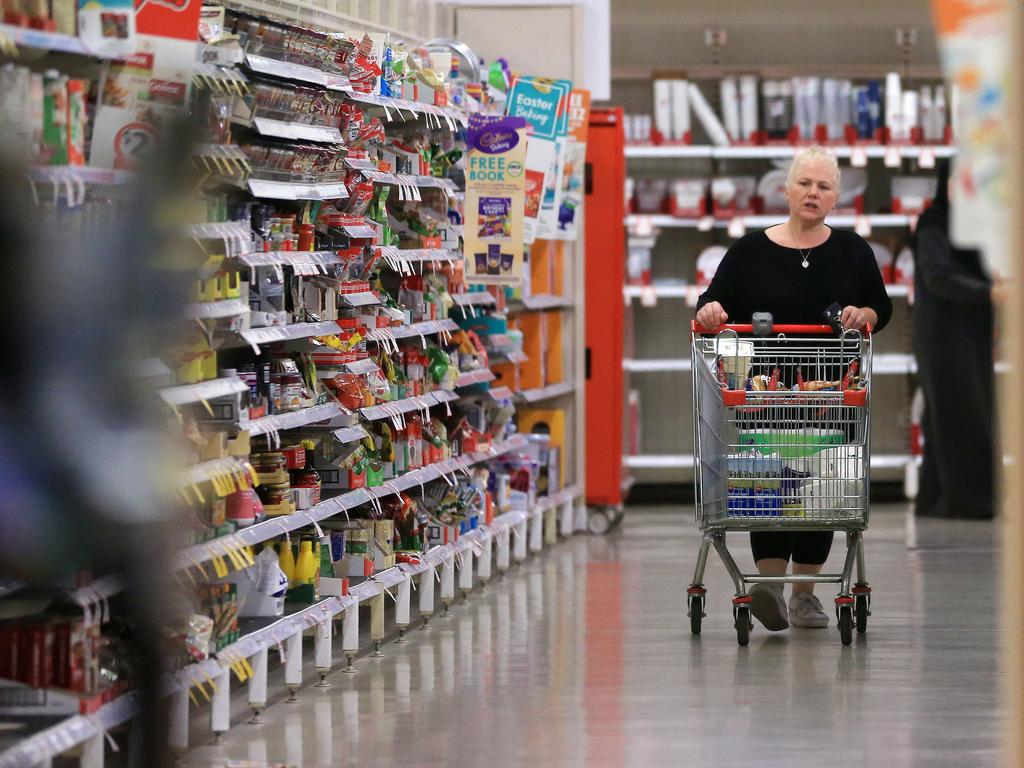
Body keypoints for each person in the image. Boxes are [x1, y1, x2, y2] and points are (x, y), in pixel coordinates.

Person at [694, 146, 892, 632]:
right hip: (763, 398)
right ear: (786, 188)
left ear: (837, 196)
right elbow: (709, 303)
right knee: (772, 483)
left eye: (824, 186)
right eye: (805, 183)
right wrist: (712, 312)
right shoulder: (748, 251)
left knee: (823, 492)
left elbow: (879, 309)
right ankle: (771, 588)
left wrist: (863, 316)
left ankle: (804, 594)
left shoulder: (853, 251)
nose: (813, 193)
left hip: (831, 399)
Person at [912, 161, 996, 519]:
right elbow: (938, 277)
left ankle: (934, 498)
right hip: (943, 335)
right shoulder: (934, 224)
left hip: (966, 331)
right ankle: (970, 500)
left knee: (944, 414)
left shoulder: (970, 225)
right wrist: (991, 293)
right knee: (962, 412)